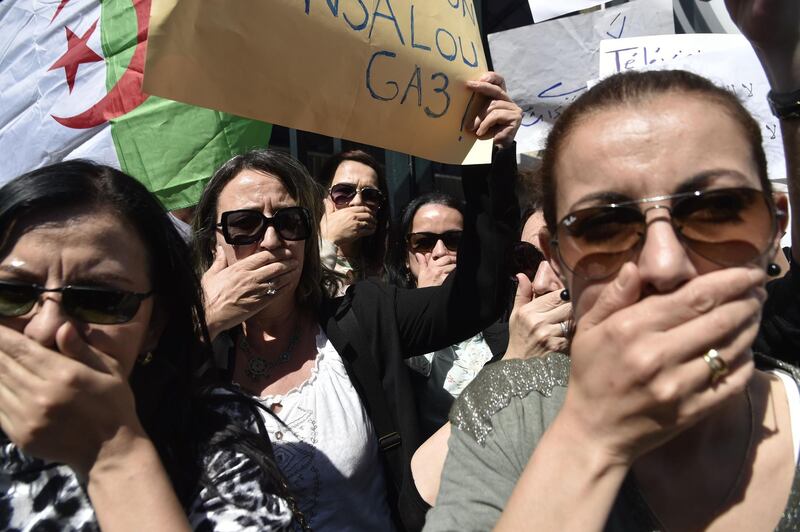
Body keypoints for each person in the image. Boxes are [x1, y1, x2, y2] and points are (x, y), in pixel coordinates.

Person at [425, 1, 800, 530]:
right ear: (556, 258)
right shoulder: (510, 413)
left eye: (714, 210)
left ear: (774, 225)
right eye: (603, 226)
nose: (664, 262)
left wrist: (786, 65)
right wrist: (590, 438)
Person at [192, 71, 522, 531]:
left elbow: (477, 298)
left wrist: (488, 155)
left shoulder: (361, 317)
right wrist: (201, 323)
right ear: (214, 243)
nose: (271, 240)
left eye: (289, 222)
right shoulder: (182, 347)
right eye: (245, 224)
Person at [0, 161, 307, 531]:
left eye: (100, 299)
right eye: (12, 293)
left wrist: (114, 454)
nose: (48, 327)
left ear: (155, 324)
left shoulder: (213, 441)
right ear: (214, 242)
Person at [385, 192, 509, 437]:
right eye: (424, 242)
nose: (441, 251)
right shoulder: (386, 317)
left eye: (454, 240)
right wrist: (425, 302)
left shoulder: (502, 311)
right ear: (405, 257)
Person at [318, 150, 390, 293]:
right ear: (323, 197)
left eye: (370, 195)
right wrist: (328, 240)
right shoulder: (299, 252)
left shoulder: (387, 265)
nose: (357, 202)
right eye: (343, 192)